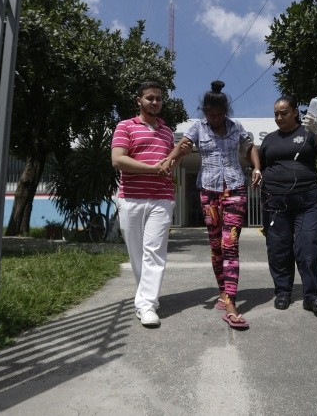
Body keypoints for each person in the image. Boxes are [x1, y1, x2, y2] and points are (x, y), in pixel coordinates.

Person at [164, 80, 261, 329]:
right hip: (208, 193)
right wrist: (170, 161)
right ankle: (222, 290)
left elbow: (250, 147)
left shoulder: (236, 126)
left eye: (219, 114)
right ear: (205, 112)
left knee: (230, 244)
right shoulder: (198, 127)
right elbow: (181, 147)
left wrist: (257, 168)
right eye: (211, 114)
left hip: (235, 189)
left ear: (226, 112)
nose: (215, 119)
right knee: (216, 247)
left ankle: (231, 304)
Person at [111, 81, 183, 327]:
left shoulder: (167, 131)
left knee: (154, 251)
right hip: (131, 197)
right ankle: (146, 298)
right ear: (139, 101)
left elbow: (167, 165)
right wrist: (153, 169)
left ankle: (147, 305)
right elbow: (118, 160)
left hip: (162, 198)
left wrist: (178, 156)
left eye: (159, 98)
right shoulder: (125, 126)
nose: (155, 102)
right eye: (150, 98)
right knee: (137, 253)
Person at [259, 96, 317, 314]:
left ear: (295, 112)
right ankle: (283, 292)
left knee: (307, 247)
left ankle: (312, 297)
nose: (279, 117)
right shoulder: (269, 140)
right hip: (275, 202)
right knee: (278, 249)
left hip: (307, 201)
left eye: (283, 112)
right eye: (276, 113)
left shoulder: (309, 133)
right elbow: (261, 165)